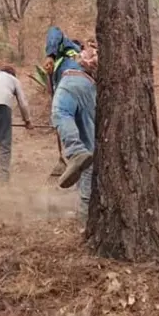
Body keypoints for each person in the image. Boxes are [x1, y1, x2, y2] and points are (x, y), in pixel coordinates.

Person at [44, 25, 96, 216]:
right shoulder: (88, 60)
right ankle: (85, 212)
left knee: (59, 113)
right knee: (89, 154)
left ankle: (74, 151)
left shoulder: (67, 49)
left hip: (71, 81)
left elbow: (55, 30)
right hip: (90, 92)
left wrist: (50, 54)